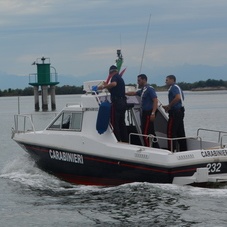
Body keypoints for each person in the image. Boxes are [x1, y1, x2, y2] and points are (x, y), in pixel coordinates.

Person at [126, 74, 159, 148]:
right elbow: (134, 93)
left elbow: (155, 100)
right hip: (144, 113)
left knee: (145, 132)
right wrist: (123, 93)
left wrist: (153, 113)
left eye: (139, 80)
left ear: (144, 80)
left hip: (148, 113)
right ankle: (156, 147)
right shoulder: (143, 90)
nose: (138, 82)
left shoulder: (149, 89)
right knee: (151, 131)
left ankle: (147, 147)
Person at [98, 65, 128, 142]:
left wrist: (104, 86)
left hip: (117, 103)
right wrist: (107, 86)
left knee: (115, 122)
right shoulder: (120, 78)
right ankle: (125, 140)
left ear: (111, 72)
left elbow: (114, 84)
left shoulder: (115, 77)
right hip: (123, 102)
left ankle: (117, 140)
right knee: (122, 122)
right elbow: (114, 89)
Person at [162, 75, 187, 152]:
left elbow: (178, 98)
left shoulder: (174, 88)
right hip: (179, 111)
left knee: (170, 132)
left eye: (167, 80)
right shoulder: (177, 87)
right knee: (180, 132)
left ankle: (171, 150)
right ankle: (183, 149)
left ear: (172, 80)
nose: (165, 82)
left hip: (175, 113)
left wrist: (169, 106)